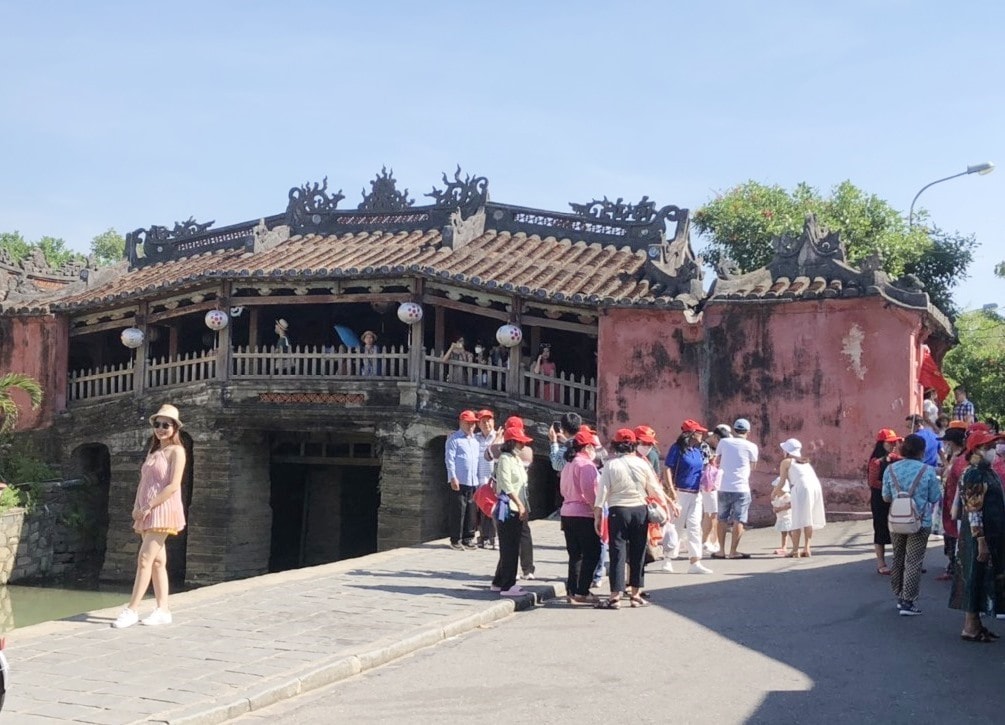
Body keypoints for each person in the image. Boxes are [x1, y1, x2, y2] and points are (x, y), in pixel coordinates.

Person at [112, 404, 187, 628]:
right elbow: (144, 483)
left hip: (162, 510)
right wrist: (137, 506)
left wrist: (149, 505)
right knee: (156, 562)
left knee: (144, 559)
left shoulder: (177, 451)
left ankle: (132, 609)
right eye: (158, 424)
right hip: (146, 510)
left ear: (175, 428)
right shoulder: (154, 452)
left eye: (166, 425)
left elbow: (173, 486)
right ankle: (163, 610)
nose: (161, 429)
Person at [593, 428, 668, 609]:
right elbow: (654, 488)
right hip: (639, 510)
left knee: (618, 553)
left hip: (617, 511)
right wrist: (665, 506)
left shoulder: (611, 465)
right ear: (634, 445)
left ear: (616, 445)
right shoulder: (643, 464)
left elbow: (602, 492)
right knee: (638, 552)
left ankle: (615, 597)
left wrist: (597, 516)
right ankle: (635, 595)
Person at [950, 430, 1005, 641]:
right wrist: (981, 540)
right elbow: (973, 511)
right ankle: (970, 627)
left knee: (982, 578)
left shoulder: (986, 471)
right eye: (988, 447)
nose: (992, 450)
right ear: (976, 450)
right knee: (974, 577)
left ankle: (976, 624)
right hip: (978, 537)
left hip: (991, 534)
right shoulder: (973, 473)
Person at [882, 433, 941, 616]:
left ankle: (899, 596)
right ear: (922, 451)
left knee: (898, 558)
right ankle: (909, 600)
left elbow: (886, 497)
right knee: (913, 561)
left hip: (896, 520)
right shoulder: (927, 471)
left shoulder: (890, 470)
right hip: (920, 522)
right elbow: (934, 497)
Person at [663, 420, 712, 574]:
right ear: (690, 434)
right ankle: (667, 559)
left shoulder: (697, 451)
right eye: (698, 432)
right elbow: (667, 469)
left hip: (696, 493)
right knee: (675, 527)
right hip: (680, 492)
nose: (701, 435)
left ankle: (695, 561)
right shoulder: (677, 449)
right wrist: (670, 488)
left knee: (694, 527)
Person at [560, 428, 602, 604]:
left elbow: (562, 488)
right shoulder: (586, 465)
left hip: (567, 511)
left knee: (575, 554)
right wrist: (596, 510)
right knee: (592, 552)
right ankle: (582, 590)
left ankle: (572, 590)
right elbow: (589, 491)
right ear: (587, 447)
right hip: (583, 513)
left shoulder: (569, 464)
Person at [491, 425, 534, 597]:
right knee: (509, 547)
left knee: (512, 544)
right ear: (511, 442)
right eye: (519, 442)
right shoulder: (505, 459)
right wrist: (519, 503)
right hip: (508, 507)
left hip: (519, 506)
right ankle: (508, 585)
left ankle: (498, 581)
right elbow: (507, 485)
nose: (522, 445)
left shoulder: (516, 459)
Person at [712, 418, 758, 560]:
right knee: (739, 519)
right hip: (741, 487)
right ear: (748, 432)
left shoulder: (724, 442)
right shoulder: (752, 446)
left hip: (724, 486)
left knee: (722, 518)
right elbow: (753, 466)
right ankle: (733, 551)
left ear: (734, 430)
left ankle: (721, 550)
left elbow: (716, 459)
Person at [777, 438, 826, 557]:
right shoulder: (805, 462)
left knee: (797, 519)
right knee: (808, 518)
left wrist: (776, 492)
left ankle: (795, 550)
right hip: (814, 487)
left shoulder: (786, 462)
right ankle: (807, 548)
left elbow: (782, 482)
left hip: (801, 488)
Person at [867, 428, 902, 575]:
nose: (894, 445)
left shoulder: (894, 458)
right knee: (881, 529)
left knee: (898, 529)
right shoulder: (876, 462)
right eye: (890, 442)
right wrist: (889, 486)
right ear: (882, 444)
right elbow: (873, 482)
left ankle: (899, 561)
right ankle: (881, 562)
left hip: (893, 499)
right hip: (880, 499)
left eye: (895, 442)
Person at [445, 410, 481, 550]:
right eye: (468, 423)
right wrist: (452, 476)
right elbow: (449, 459)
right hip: (459, 480)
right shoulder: (454, 439)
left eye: (472, 424)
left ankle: (468, 537)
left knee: (471, 510)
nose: (471, 426)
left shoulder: (475, 441)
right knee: (458, 510)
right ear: (461, 423)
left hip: (473, 480)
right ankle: (456, 538)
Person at [936, 424, 967, 581]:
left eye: (946, 442)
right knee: (950, 535)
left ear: (952, 442)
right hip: (949, 502)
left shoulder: (962, 460)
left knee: (956, 536)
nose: (944, 445)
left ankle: (955, 567)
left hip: (956, 504)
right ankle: (952, 565)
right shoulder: (954, 457)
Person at [701, 424, 730, 553]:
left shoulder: (711, 447)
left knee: (711, 513)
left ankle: (711, 539)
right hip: (708, 483)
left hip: (712, 483)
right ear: (715, 437)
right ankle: (707, 540)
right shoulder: (704, 447)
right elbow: (704, 465)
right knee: (712, 512)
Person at [474, 409, 499, 549]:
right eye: (483, 421)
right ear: (479, 423)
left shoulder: (499, 437)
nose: (486, 423)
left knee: (494, 510)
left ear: (493, 421)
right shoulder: (475, 438)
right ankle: (483, 537)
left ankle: (493, 537)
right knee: (482, 511)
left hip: (493, 479)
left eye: (488, 420)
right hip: (479, 479)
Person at [769, 476, 793, 556]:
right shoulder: (777, 497)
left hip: (787, 517)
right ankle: (784, 547)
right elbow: (774, 504)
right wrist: (775, 508)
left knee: (791, 532)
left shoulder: (787, 496)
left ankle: (795, 546)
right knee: (783, 533)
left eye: (776, 488)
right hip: (781, 518)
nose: (775, 490)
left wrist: (780, 509)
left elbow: (790, 505)